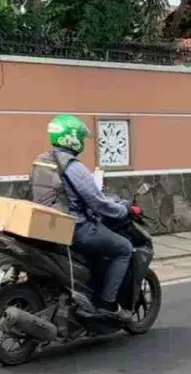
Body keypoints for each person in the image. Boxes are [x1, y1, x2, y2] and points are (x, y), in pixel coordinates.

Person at [30, 114, 134, 321]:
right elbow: (98, 202)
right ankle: (107, 303)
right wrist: (122, 211)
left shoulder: (42, 161)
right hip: (75, 227)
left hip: (48, 224)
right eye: (80, 136)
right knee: (123, 248)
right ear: (72, 137)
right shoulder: (72, 166)